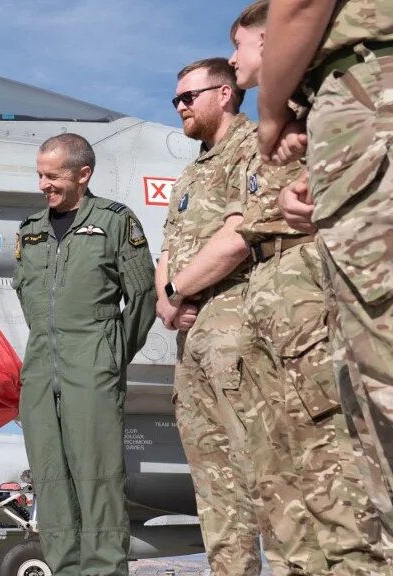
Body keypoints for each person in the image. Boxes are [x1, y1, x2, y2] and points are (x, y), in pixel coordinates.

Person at [228, 2, 391, 571]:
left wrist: (272, 114)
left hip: (366, 112)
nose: (233, 60)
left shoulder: (273, 119)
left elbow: (300, 7)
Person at [13, 133, 156, 576]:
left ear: (83, 174)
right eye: (40, 175)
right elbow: (27, 296)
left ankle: (104, 570)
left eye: (52, 176)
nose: (43, 185)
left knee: (98, 480)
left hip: (93, 366)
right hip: (40, 371)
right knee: (50, 480)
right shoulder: (30, 230)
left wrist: (109, 353)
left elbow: (143, 295)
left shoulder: (115, 221)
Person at [157, 58, 272, 575]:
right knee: (214, 486)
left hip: (238, 334)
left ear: (224, 94)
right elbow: (168, 250)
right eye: (176, 99)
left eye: (189, 97)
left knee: (263, 473)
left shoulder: (252, 147)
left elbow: (238, 237)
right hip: (192, 343)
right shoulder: (190, 172)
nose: (180, 106)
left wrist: (176, 290)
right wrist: (165, 302)